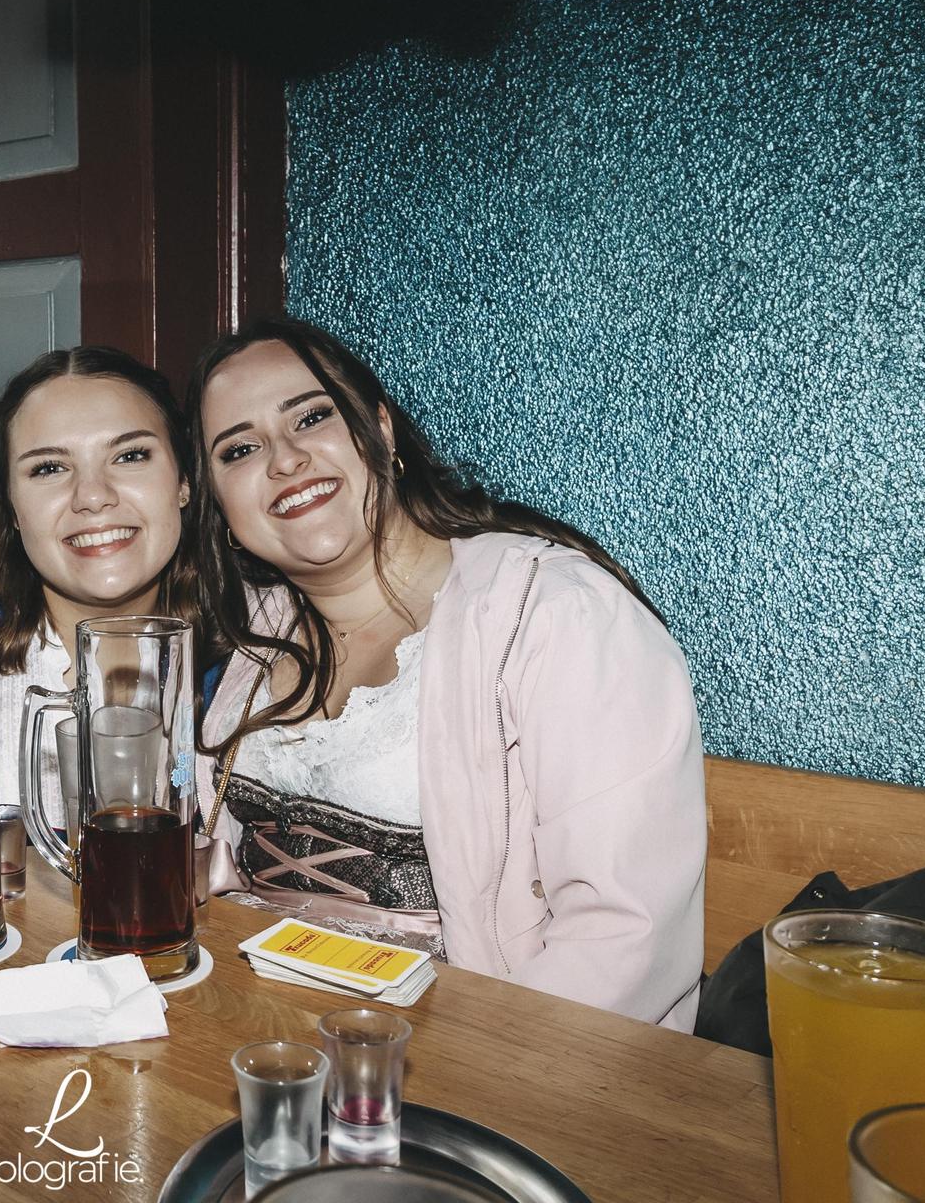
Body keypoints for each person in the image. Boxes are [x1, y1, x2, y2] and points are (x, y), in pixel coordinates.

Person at [191, 314, 705, 1030]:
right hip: (255, 1037)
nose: (284, 459)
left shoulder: (556, 613)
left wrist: (468, 1089)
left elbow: (625, 937)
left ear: (381, 430)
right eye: (239, 449)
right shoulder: (259, 635)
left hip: (470, 1063)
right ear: (219, 502)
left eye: (312, 416)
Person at [0, 347, 197, 826]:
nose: (92, 496)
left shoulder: (252, 650)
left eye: (130, 456)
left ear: (183, 482)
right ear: (13, 509)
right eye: (48, 468)